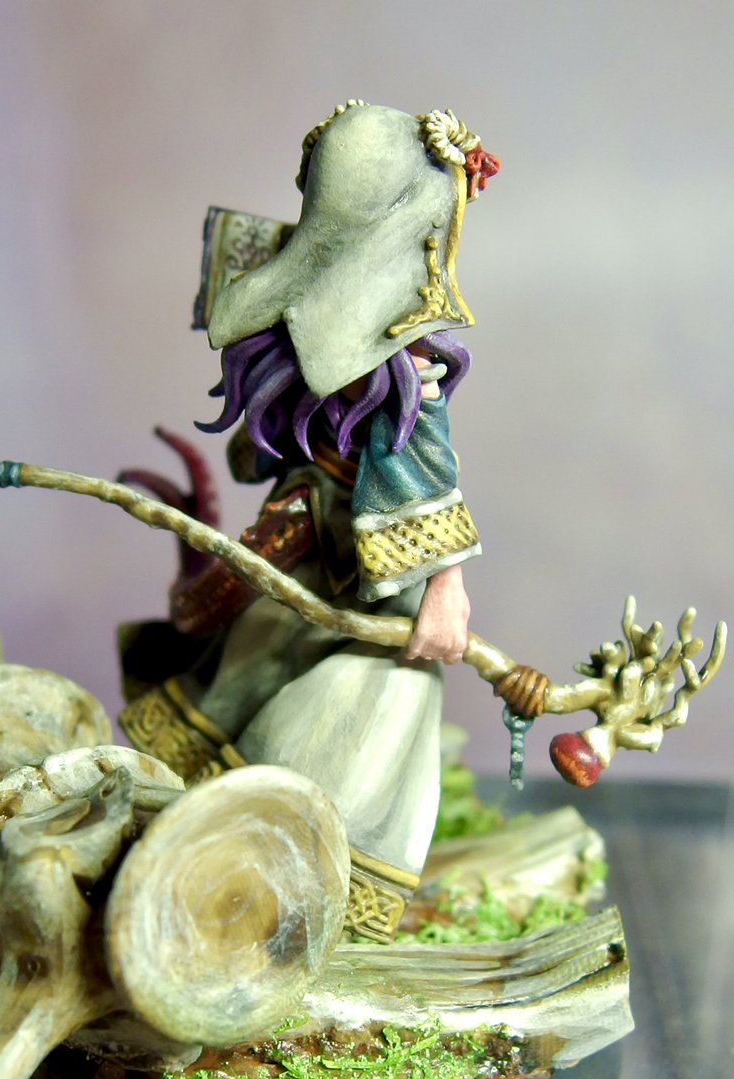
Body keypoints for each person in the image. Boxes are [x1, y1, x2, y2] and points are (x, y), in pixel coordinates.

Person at [121, 102, 499, 939]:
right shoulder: (378, 352)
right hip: (323, 546)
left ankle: (261, 853)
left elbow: (415, 472)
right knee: (294, 677)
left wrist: (442, 586)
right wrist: (445, 589)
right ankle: (236, 845)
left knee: (323, 682)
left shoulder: (385, 350)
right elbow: (412, 465)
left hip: (347, 553)